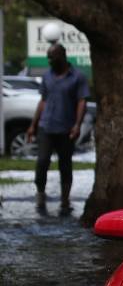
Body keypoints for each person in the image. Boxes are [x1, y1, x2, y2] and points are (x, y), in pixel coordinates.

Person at [26, 44, 89, 215]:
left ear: (63, 56)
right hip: (46, 127)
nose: (49, 61)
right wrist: (33, 125)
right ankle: (40, 194)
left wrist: (77, 125)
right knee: (42, 161)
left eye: (52, 57)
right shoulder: (47, 76)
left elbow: (82, 102)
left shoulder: (77, 77)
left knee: (65, 164)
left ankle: (65, 199)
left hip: (66, 129)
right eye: (48, 57)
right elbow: (43, 101)